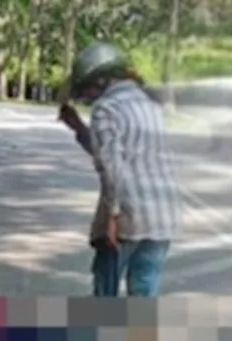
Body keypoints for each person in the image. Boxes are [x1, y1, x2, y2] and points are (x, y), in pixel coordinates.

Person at [57, 42, 182, 297]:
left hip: (129, 216)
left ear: (101, 80)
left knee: (106, 289)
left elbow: (111, 167)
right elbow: (121, 152)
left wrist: (111, 220)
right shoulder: (149, 104)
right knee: (145, 290)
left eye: (89, 88)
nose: (88, 96)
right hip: (163, 215)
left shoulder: (107, 108)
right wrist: (80, 129)